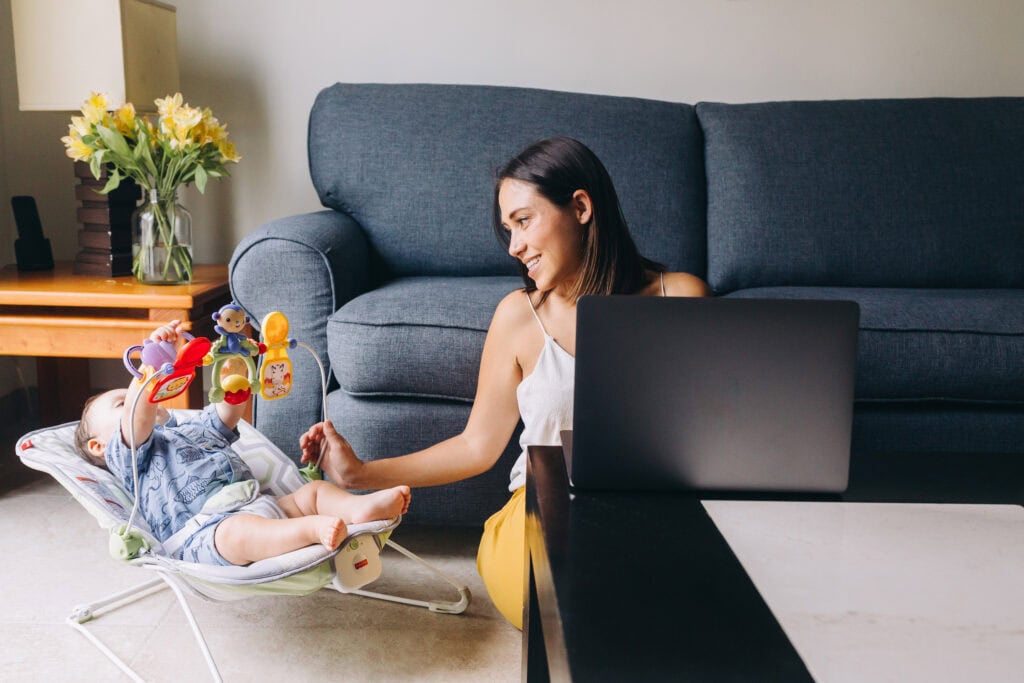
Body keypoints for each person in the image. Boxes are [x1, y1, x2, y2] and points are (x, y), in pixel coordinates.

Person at [298, 137, 709, 627]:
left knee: (684, 603)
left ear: (579, 207)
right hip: (542, 513)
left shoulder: (679, 296)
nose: (514, 247)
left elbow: (715, 432)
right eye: (507, 230)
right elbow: (476, 446)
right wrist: (360, 475)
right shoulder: (519, 317)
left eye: (523, 221)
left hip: (648, 508)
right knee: (571, 612)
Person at [74, 320, 411, 567]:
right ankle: (311, 531)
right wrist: (152, 362)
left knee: (312, 494)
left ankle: (359, 510)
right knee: (237, 535)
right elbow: (139, 413)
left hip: (259, 502)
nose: (138, 395)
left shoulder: (187, 429)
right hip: (206, 531)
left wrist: (235, 379)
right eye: (120, 402)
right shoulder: (130, 457)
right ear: (98, 447)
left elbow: (227, 416)